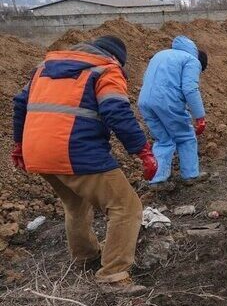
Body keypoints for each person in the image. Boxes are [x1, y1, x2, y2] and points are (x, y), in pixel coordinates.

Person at [11, 36, 158, 292]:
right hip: (75, 150)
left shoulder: (43, 69)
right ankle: (113, 275)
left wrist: (19, 145)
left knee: (75, 204)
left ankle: (85, 257)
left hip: (37, 151)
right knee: (125, 206)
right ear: (115, 58)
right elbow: (117, 111)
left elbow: (20, 104)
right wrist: (142, 150)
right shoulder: (105, 69)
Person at [138, 36, 208, 191]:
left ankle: (157, 180)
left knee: (163, 139)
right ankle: (190, 175)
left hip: (145, 101)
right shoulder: (191, 60)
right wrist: (200, 116)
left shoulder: (160, 55)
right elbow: (190, 89)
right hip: (166, 100)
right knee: (186, 136)